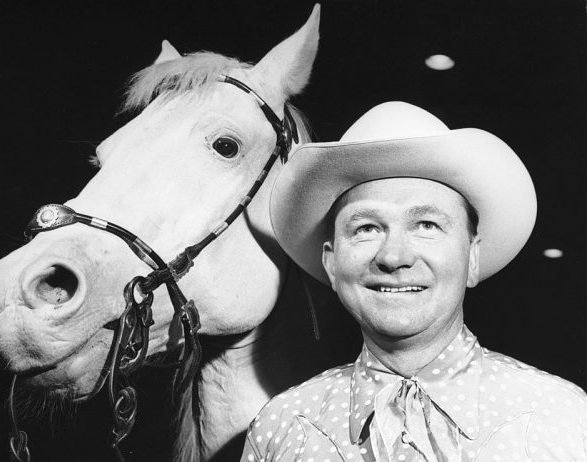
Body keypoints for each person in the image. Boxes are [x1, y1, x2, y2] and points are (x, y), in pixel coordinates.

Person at [240, 102, 587, 461]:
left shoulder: (563, 419)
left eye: (426, 226)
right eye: (367, 228)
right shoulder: (282, 429)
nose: (394, 257)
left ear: (472, 258)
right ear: (331, 262)